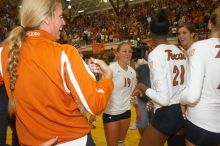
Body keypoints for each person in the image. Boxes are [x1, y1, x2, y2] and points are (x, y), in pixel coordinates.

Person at [0, 0, 113, 145]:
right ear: (47, 19)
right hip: (73, 140)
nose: (64, 22)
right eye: (60, 16)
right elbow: (95, 104)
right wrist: (107, 79)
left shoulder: (4, 52)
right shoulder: (65, 53)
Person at [133, 10, 187, 146]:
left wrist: (142, 87)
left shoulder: (156, 54)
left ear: (150, 33)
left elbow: (163, 99)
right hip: (183, 110)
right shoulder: (180, 50)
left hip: (166, 112)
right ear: (168, 30)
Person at [180, 7, 220, 146]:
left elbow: (192, 96)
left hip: (201, 122)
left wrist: (181, 99)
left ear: (210, 24)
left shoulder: (199, 47)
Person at [102, 42, 140, 146]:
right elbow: (101, 92)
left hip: (126, 112)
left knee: (121, 143)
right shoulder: (110, 69)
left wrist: (137, 110)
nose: (127, 54)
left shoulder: (132, 72)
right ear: (117, 53)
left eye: (129, 51)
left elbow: (133, 94)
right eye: (124, 51)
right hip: (111, 113)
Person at [167, 23, 196, 146]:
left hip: (194, 103)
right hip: (181, 103)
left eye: (184, 33)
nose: (181, 36)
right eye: (179, 33)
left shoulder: (197, 51)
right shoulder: (180, 52)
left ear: (192, 34)